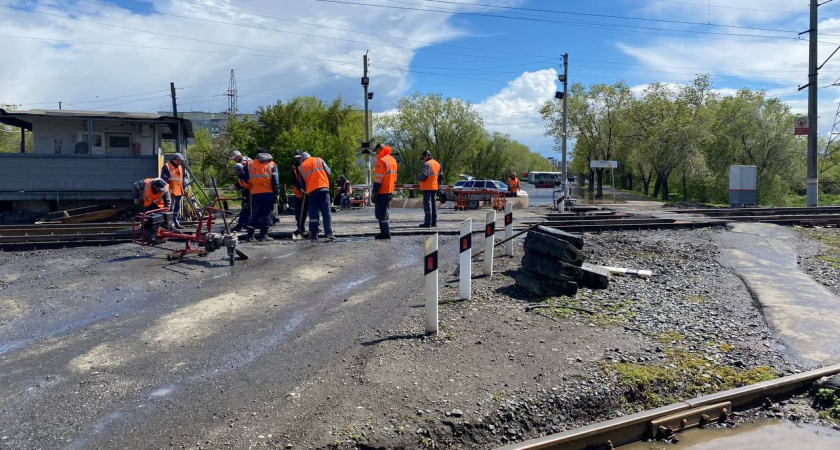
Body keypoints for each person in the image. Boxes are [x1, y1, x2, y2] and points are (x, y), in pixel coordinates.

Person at [239, 148, 280, 242]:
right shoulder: (271, 164)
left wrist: (251, 185)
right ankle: (263, 235)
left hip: (255, 194)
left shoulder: (250, 164)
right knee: (267, 215)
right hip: (268, 194)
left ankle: (250, 236)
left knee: (255, 214)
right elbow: (275, 181)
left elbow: (243, 177)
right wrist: (277, 193)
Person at [297, 152, 334, 241]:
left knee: (313, 214)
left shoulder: (301, 167)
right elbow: (329, 172)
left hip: (311, 192)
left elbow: (302, 183)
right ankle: (328, 233)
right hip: (323, 189)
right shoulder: (319, 160)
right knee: (326, 212)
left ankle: (314, 234)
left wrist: (306, 189)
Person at [372, 144, 397, 239]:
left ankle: (385, 233)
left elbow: (378, 179)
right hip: (389, 190)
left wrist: (374, 192)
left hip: (382, 190)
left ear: (379, 149)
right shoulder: (392, 160)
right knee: (385, 212)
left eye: (376, 151)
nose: (375, 153)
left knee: (381, 213)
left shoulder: (381, 161)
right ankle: (385, 232)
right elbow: (395, 178)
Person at [415, 150, 442, 228]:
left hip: (427, 187)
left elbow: (424, 176)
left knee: (427, 205)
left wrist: (417, 178)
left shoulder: (426, 164)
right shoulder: (437, 164)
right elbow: (440, 177)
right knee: (434, 205)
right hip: (435, 187)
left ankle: (427, 223)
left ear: (426, 156)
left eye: (423, 157)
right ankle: (434, 222)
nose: (423, 159)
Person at [160, 153, 186, 229]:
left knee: (176, 208)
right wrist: (167, 191)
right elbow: (164, 180)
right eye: (179, 160)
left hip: (179, 191)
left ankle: (175, 221)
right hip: (171, 192)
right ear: (174, 159)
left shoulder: (180, 167)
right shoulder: (167, 166)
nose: (180, 162)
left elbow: (182, 178)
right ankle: (170, 224)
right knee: (170, 208)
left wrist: (184, 185)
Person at [290, 150, 309, 237]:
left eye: (299, 158)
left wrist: (306, 188)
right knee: (299, 211)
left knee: (310, 210)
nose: (298, 160)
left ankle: (315, 227)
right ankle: (300, 227)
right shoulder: (294, 166)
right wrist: (300, 188)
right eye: (296, 158)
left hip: (308, 191)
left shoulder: (306, 164)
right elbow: (294, 179)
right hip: (299, 192)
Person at [230, 163, 250, 233]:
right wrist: (235, 186)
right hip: (247, 193)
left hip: (250, 193)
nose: (235, 174)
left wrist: (235, 186)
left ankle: (240, 225)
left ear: (240, 170)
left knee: (245, 209)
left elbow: (246, 184)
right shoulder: (241, 176)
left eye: (236, 172)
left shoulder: (245, 175)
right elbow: (240, 184)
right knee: (246, 210)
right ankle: (245, 225)